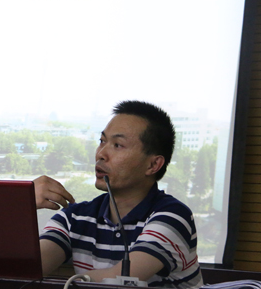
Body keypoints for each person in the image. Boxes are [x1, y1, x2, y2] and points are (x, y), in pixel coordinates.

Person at [34, 100, 204, 288]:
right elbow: (27, 269)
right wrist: (19, 204)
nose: (101, 154)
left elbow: (117, 281)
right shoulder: (75, 218)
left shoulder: (173, 216)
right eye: (102, 141)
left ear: (153, 165)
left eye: (117, 145)